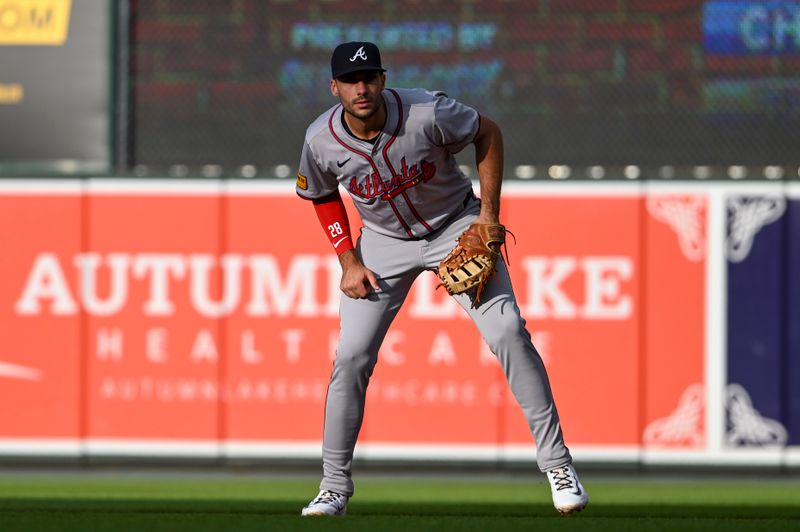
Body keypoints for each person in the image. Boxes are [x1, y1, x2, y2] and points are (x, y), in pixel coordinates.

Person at [295, 41, 588, 517]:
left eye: (370, 77)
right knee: (350, 357)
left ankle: (557, 465)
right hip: (384, 243)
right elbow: (321, 193)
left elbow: (487, 134)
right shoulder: (320, 139)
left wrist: (488, 214)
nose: (362, 87)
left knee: (509, 331)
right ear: (334, 88)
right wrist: (348, 260)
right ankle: (332, 487)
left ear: (383, 79)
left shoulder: (426, 111)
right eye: (351, 81)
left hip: (455, 224)